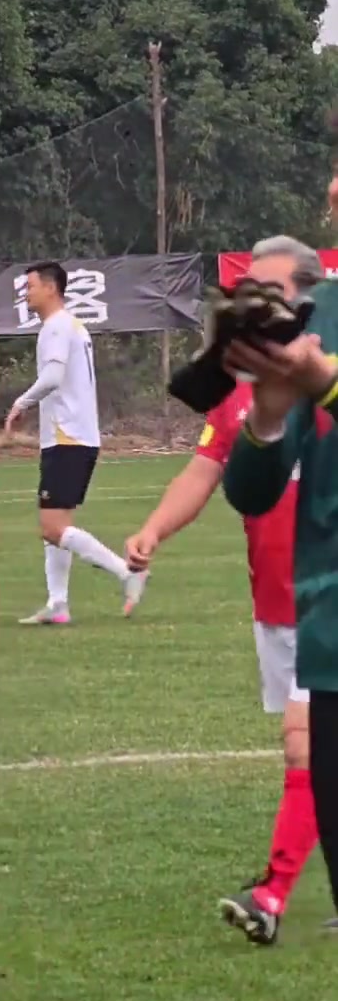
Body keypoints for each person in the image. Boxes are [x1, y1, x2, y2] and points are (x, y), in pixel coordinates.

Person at [125, 238, 321, 943]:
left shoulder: (327, 374)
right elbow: (203, 471)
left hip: (327, 603)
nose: (254, 305)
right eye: (247, 293)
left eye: (271, 291)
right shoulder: (241, 391)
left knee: (303, 746)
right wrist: (153, 530)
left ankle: (272, 895)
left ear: (311, 296)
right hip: (276, 606)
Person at [222, 199, 338, 934]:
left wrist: (323, 383)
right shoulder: (314, 320)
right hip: (320, 624)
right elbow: (247, 487)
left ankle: (273, 892)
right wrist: (266, 416)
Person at [5, 260, 147, 625]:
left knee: (52, 528)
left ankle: (127, 572)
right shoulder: (73, 326)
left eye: (30, 286)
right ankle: (58, 604)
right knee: (56, 526)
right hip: (74, 436)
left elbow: (53, 377)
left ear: (51, 288)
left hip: (67, 437)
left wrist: (21, 403)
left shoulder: (56, 326)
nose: (26, 293)